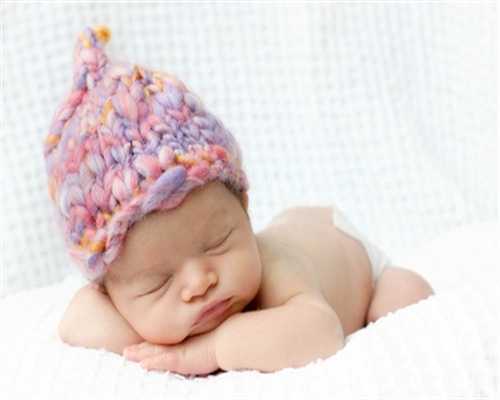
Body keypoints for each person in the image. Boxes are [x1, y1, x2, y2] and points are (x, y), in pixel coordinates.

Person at [50, 26, 434, 376]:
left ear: (244, 211)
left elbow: (322, 331)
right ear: (109, 293)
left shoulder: (274, 270)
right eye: (158, 282)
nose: (200, 282)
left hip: (347, 252)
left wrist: (212, 348)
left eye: (219, 241)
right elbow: (76, 322)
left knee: (404, 297)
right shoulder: (122, 294)